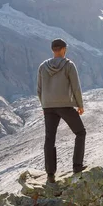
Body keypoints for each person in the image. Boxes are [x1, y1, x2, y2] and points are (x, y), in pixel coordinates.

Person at [37, 38, 86, 183]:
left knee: (49, 139)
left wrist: (44, 105)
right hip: (65, 105)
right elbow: (76, 87)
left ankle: (50, 174)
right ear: (64, 49)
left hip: (48, 107)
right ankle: (77, 167)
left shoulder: (43, 66)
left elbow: (39, 89)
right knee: (80, 132)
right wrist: (80, 105)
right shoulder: (68, 65)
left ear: (53, 50)